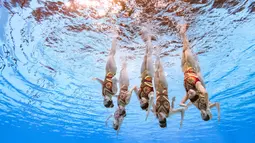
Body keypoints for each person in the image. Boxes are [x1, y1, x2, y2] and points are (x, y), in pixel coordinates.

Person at [179, 24, 220, 121]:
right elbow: (204, 92)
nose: (202, 114)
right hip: (194, 73)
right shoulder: (206, 103)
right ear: (208, 113)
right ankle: (183, 32)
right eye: (205, 114)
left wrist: (183, 103)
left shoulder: (198, 105)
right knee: (187, 51)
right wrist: (217, 113)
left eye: (202, 115)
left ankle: (183, 33)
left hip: (186, 74)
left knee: (184, 50)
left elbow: (189, 95)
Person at [151, 46, 186, 128]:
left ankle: (157, 54)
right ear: (164, 118)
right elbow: (182, 110)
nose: (159, 117)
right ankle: (160, 53)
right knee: (161, 71)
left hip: (157, 89)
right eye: (161, 118)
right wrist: (181, 121)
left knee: (155, 71)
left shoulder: (156, 113)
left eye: (158, 118)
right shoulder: (169, 113)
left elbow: (151, 103)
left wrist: (149, 106)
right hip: (164, 88)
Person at [134, 27, 155, 119]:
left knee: (145, 57)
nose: (141, 102)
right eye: (143, 103)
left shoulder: (140, 95)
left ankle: (148, 42)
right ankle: (149, 38)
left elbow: (135, 87)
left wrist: (138, 97)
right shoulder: (150, 96)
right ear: (147, 102)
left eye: (140, 103)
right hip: (150, 75)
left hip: (142, 75)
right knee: (149, 57)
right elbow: (152, 99)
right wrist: (150, 108)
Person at [92, 37, 118, 108]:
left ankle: (114, 40)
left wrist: (97, 79)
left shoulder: (103, 94)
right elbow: (115, 79)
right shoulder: (114, 91)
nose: (104, 99)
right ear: (110, 100)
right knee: (111, 55)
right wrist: (115, 82)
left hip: (107, 72)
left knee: (110, 54)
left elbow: (103, 84)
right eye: (106, 101)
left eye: (104, 101)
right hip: (112, 71)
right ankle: (115, 38)